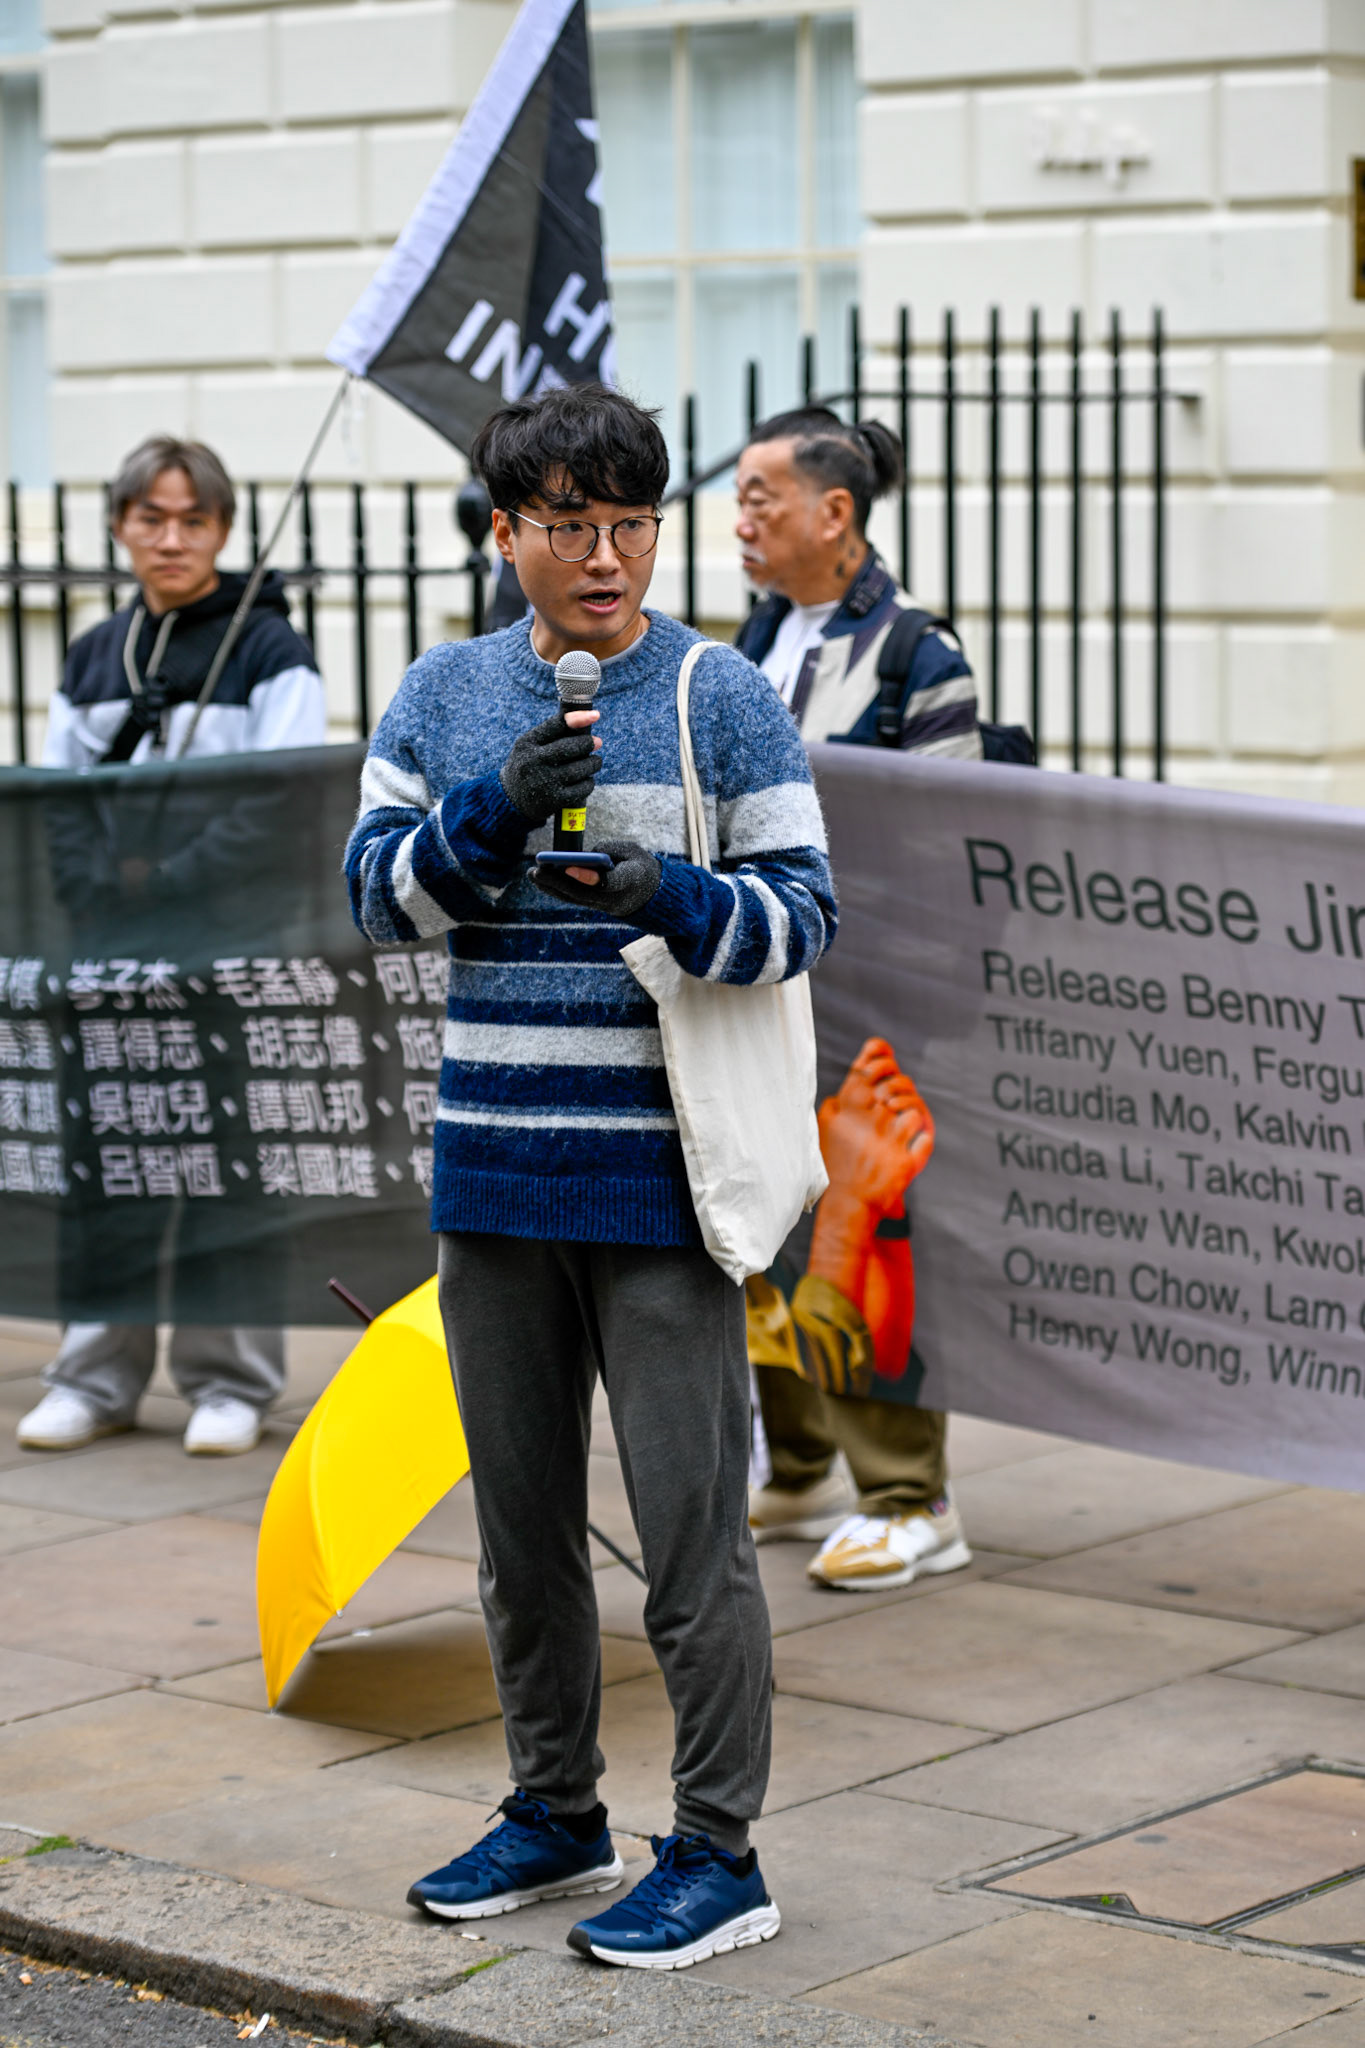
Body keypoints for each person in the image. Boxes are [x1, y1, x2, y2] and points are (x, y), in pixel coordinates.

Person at [346, 382, 835, 1970]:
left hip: (661, 1188)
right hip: (493, 1175)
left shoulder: (720, 694)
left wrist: (669, 894)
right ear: (510, 534)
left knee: (693, 1543)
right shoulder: (441, 691)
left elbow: (804, 914)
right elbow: (377, 903)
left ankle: (719, 1852)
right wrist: (492, 811)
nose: (606, 556)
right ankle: (554, 1811)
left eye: (631, 523)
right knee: (523, 1536)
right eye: (570, 525)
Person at [17, 434, 327, 1459]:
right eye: (151, 517)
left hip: (227, 950)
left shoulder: (269, 649)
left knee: (225, 1164)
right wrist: (102, 893)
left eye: (194, 519)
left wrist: (172, 881)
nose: (172, 538)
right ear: (121, 526)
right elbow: (61, 801)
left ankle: (228, 1380)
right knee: (106, 1157)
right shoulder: (93, 654)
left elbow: (281, 800)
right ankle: (93, 1375)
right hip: (113, 955)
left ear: (224, 530)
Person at [735, 405, 978, 1593]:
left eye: (760, 497)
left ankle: (908, 1496)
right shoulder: (757, 633)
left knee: (861, 1230)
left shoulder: (918, 653)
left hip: (866, 995)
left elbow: (949, 838)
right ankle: (798, 1463)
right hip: (759, 986)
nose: (739, 520)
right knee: (760, 1220)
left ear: (835, 512)